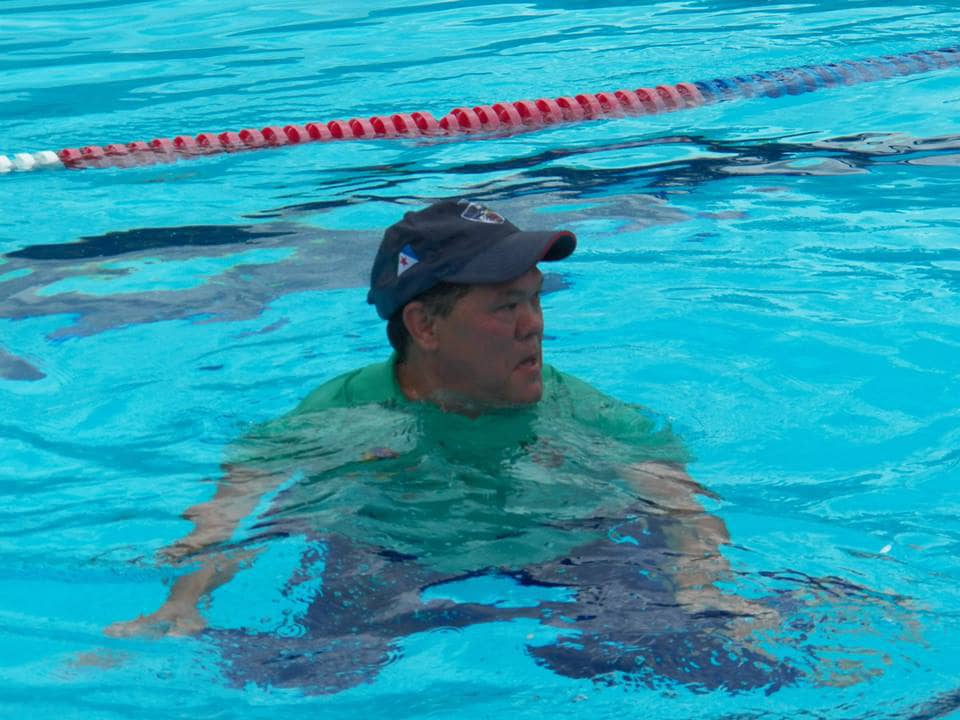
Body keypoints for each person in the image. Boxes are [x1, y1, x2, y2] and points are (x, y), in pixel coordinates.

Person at [108, 198, 790, 692]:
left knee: (682, 652)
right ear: (424, 327)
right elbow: (229, 515)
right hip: (392, 550)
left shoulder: (581, 408)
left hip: (564, 539)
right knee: (304, 675)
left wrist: (703, 583)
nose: (533, 326)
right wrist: (179, 603)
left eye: (535, 298)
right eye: (505, 306)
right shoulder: (342, 414)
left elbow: (676, 499)